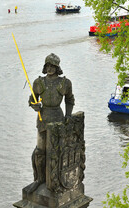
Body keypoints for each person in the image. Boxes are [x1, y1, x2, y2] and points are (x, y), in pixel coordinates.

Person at [28, 53, 75, 192]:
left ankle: (55, 180)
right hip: (43, 119)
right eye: (47, 66)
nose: (49, 68)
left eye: (52, 66)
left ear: (57, 67)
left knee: (55, 151)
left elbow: (69, 100)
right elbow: (32, 99)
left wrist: (68, 115)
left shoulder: (65, 83)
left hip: (58, 119)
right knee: (40, 151)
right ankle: (39, 179)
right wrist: (34, 105)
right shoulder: (39, 82)